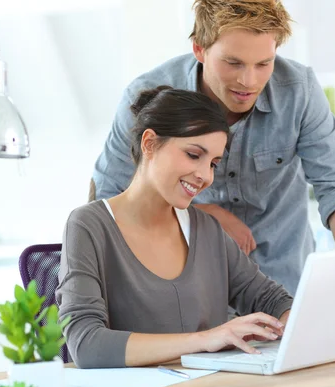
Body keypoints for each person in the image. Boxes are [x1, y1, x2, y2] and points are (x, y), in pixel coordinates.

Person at [91, 0, 335, 315]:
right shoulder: (147, 98)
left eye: (264, 63)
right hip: (189, 297)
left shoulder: (299, 91)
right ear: (199, 49)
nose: (248, 82)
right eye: (233, 63)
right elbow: (110, 197)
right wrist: (200, 217)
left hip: (285, 291)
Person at [57, 87, 293, 368]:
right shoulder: (88, 226)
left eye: (214, 163)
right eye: (194, 155)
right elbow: (87, 345)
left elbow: (272, 300)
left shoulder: (205, 229)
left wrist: (296, 325)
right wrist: (206, 339)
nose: (205, 176)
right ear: (149, 144)